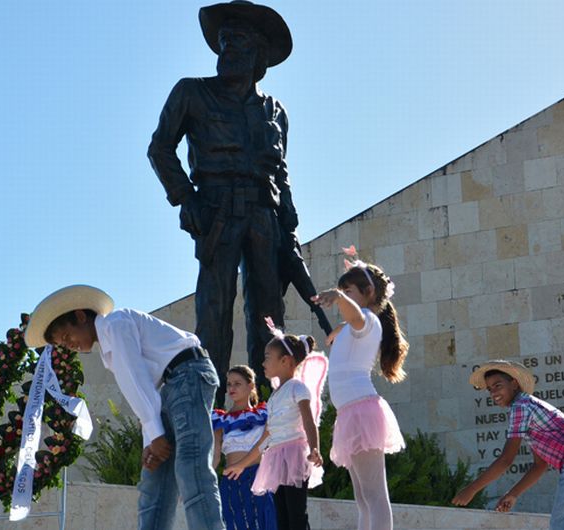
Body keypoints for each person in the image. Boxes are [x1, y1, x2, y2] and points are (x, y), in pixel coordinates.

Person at [147, 0, 299, 405]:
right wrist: (185, 198)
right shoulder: (192, 92)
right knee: (213, 312)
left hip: (264, 216)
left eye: (239, 42)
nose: (227, 49)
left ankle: (271, 406)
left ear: (259, 57)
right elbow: (160, 148)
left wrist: (291, 227)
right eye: (223, 41)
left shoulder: (275, 111)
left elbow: (281, 174)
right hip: (215, 212)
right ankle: (207, 407)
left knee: (269, 314)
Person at [24, 285, 224, 530]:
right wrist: (151, 440)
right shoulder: (109, 345)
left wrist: (156, 435)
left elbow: (135, 378)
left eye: (67, 337)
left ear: (80, 316)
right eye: (63, 345)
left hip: (189, 374)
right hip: (170, 386)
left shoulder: (115, 324)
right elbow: (144, 389)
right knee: (153, 481)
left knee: (190, 464)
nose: (70, 346)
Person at [451, 359, 564, 530]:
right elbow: (540, 465)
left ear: (514, 384)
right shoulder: (531, 407)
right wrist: (513, 494)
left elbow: (506, 459)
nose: (494, 393)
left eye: (498, 386)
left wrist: (471, 489)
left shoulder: (520, 406)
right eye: (490, 390)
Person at [312, 248, 408, 530]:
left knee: (375, 494)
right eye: (342, 290)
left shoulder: (368, 320)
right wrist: (338, 325)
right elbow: (349, 320)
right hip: (349, 413)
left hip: (362, 411)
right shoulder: (354, 324)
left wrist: (339, 298)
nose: (343, 295)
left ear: (368, 292)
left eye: (349, 290)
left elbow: (356, 318)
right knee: (363, 497)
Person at [223, 326, 327, 530]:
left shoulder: (297, 388)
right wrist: (242, 464)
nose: (263, 362)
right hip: (277, 459)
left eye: (267, 357)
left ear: (285, 361)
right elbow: (266, 437)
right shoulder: (274, 396)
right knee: (282, 517)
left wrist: (315, 448)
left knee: (296, 515)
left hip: (295, 456)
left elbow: (308, 421)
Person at [211, 365, 277, 529]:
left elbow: (266, 439)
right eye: (229, 384)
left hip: (258, 477)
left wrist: (242, 465)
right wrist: (201, 484)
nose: (231, 388)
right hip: (231, 481)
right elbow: (215, 457)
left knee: (262, 523)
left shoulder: (264, 413)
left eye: (237, 383)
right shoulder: (220, 419)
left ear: (251, 386)